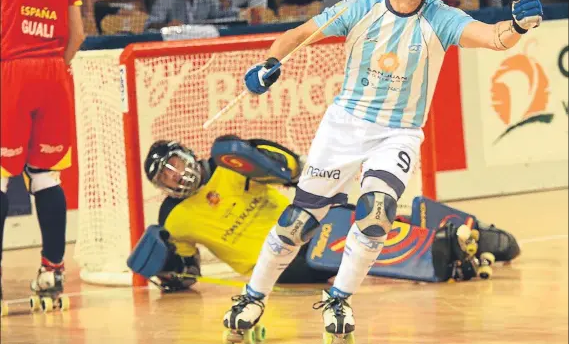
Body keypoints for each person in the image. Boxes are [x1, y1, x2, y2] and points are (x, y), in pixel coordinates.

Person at [222, 0, 542, 341]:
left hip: (398, 134)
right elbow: (298, 35)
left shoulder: (440, 17)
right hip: (343, 127)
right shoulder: (362, 7)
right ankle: (252, 297)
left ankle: (339, 299)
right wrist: (268, 62)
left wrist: (517, 26)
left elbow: (495, 38)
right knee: (298, 222)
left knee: (376, 216)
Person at [127, 137, 519, 293]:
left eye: (175, 163)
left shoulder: (226, 162)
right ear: (162, 185)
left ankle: (464, 234)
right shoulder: (171, 217)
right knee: (340, 251)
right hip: (279, 265)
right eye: (166, 174)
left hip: (306, 221)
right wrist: (167, 272)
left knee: (368, 215)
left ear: (186, 153)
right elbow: (187, 273)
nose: (176, 174)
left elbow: (290, 169)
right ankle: (443, 251)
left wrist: (268, 162)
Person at [0, 0, 85, 312]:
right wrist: (52, 70)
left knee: (2, 176)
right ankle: (52, 272)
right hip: (54, 73)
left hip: (11, 70)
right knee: (46, 176)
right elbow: (78, 34)